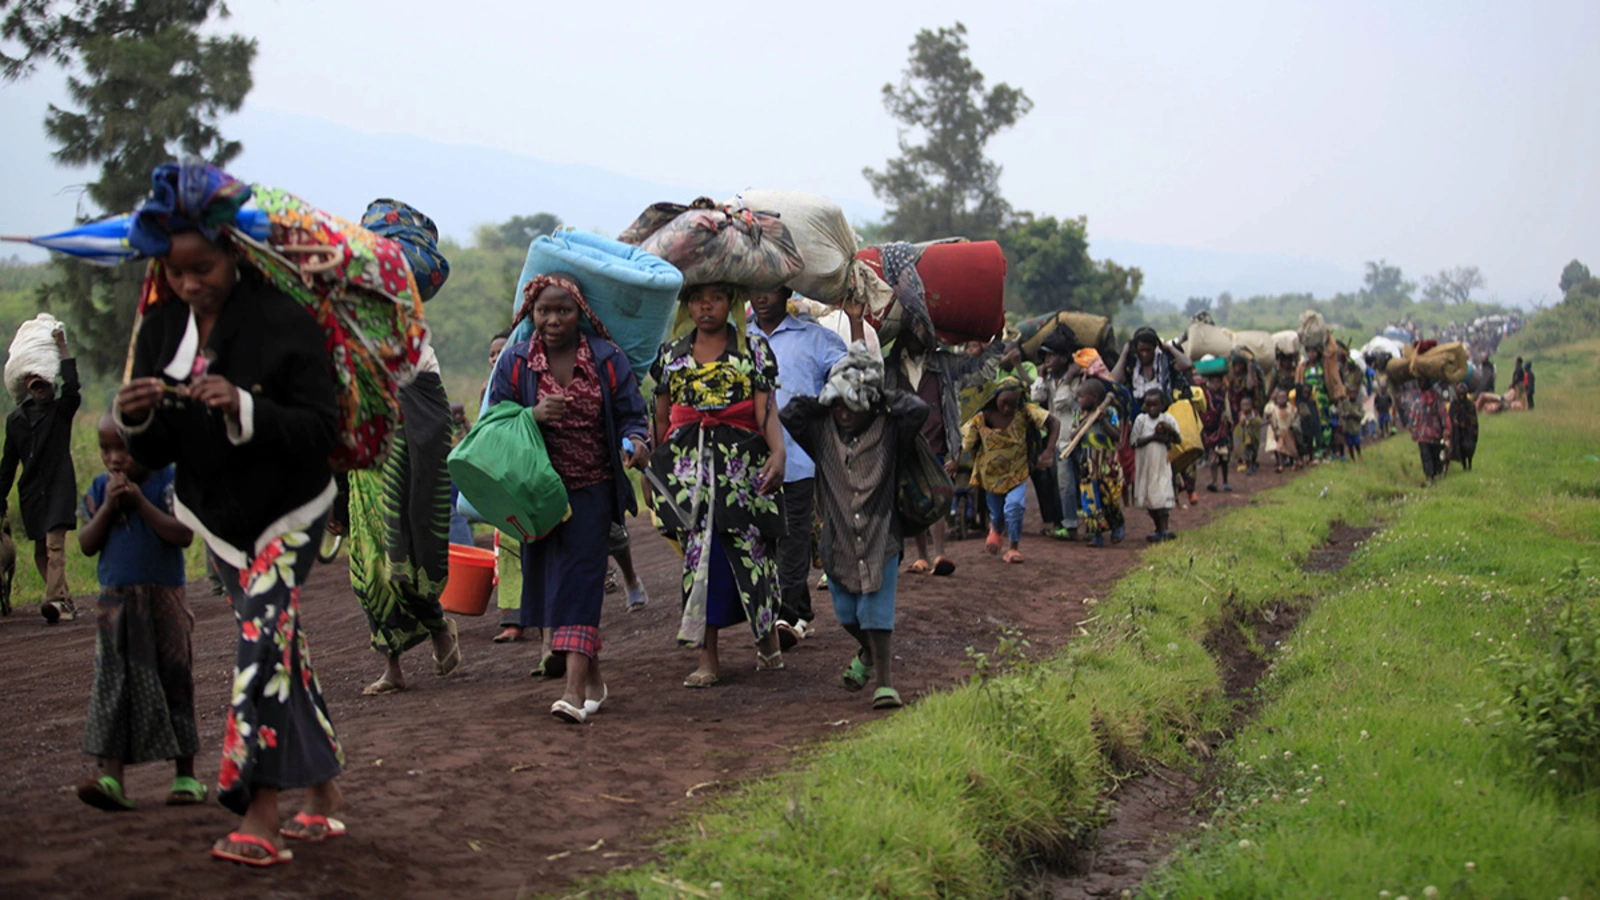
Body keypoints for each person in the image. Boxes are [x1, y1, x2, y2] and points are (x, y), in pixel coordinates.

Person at [118, 162, 344, 866]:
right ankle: (323, 793)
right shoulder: (159, 331)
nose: (190, 283)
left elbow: (321, 428)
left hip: (293, 511)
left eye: (203, 268)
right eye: (177, 271)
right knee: (279, 645)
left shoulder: (287, 320)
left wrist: (244, 407)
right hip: (216, 519)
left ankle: (259, 817)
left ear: (234, 253)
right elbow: (156, 451)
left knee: (260, 646)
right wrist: (137, 424)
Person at [489, 273, 651, 722]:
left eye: (564, 310)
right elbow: (495, 423)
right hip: (536, 495)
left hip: (592, 492)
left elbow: (632, 414)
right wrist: (532, 414)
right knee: (552, 586)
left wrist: (636, 443)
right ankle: (595, 679)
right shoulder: (516, 363)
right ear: (530, 314)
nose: (553, 319)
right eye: (544, 310)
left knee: (581, 583)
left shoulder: (606, 359)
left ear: (581, 313)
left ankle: (574, 692)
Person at [347, 199, 461, 697]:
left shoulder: (416, 344)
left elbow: (431, 416)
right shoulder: (347, 332)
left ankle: (437, 624)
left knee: (405, 559)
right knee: (369, 565)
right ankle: (391, 666)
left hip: (406, 459)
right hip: (365, 464)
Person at [649, 282, 786, 687]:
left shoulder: (754, 351)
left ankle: (766, 636)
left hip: (742, 466)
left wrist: (778, 454)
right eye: (696, 298)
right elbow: (661, 418)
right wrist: (654, 471)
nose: (705, 306)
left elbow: (766, 412)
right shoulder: (671, 355)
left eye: (716, 298)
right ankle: (707, 657)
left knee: (752, 552)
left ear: (733, 302)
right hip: (688, 469)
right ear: (686, 305)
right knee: (699, 558)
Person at [781, 344, 928, 710]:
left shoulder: (890, 428)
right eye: (838, 405)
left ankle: (884, 683)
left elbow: (918, 409)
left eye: (852, 405)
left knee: (876, 615)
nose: (844, 413)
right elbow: (791, 412)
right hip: (838, 539)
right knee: (848, 614)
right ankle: (866, 652)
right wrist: (828, 397)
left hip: (882, 536)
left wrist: (876, 395)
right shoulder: (819, 429)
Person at [74, 413, 201, 812]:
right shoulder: (99, 489)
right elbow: (86, 544)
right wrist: (110, 508)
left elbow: (182, 534)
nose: (114, 459)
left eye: (123, 449)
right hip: (116, 602)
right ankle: (112, 777)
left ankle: (185, 777)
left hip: (164, 598)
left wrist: (140, 503)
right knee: (115, 685)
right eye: (105, 449)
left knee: (174, 680)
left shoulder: (169, 483)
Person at [746, 284, 861, 648]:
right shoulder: (737, 338)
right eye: (753, 291)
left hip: (799, 457)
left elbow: (853, 377)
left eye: (767, 290)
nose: (760, 296)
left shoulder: (815, 337)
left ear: (785, 291)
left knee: (793, 536)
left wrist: (856, 324)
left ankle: (786, 614)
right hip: (747, 460)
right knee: (762, 541)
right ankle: (800, 611)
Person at [882, 324, 1007, 576]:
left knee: (936, 495)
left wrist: (996, 341)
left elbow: (979, 370)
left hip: (935, 440)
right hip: (902, 440)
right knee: (910, 497)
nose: (916, 336)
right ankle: (922, 557)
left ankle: (939, 553)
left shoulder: (944, 363)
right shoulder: (889, 367)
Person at [0, 324, 79, 622]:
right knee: (40, 552)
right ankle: (66, 602)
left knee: (54, 545)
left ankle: (53, 601)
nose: (42, 391)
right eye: (35, 386)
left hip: (59, 487)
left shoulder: (61, 412)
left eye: (45, 384)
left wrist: (62, 349)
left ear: (52, 385)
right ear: (27, 388)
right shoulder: (16, 421)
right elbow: (8, 464)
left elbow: (73, 387)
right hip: (32, 492)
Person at [950, 375, 1059, 565]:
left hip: (1017, 471)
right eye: (1004, 403)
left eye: (1013, 404)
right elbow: (966, 443)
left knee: (1015, 507)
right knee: (998, 513)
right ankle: (996, 529)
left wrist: (1048, 451)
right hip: (990, 476)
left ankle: (1013, 548)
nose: (1008, 409)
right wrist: (956, 462)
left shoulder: (1025, 412)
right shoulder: (981, 417)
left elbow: (1054, 423)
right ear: (995, 398)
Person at [1112, 327, 1195, 503]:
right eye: (1141, 350)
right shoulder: (1131, 363)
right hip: (1138, 417)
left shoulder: (1164, 359)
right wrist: (1125, 352)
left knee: (1165, 456)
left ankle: (1168, 495)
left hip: (1163, 414)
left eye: (1149, 350)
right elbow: (1114, 379)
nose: (1144, 354)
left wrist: (1169, 348)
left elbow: (1187, 364)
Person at [1031, 331, 1085, 541]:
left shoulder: (1075, 379)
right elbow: (1036, 396)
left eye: (1051, 356)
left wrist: (1069, 377)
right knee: (1063, 483)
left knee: (1080, 481)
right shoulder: (1051, 379)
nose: (1047, 361)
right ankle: (1069, 524)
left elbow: (1063, 401)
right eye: (1045, 357)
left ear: (1064, 358)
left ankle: (1083, 523)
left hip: (1075, 436)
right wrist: (1042, 375)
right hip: (1060, 439)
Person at [1130, 389, 1180, 541]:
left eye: (1156, 405)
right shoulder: (1141, 420)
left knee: (1162, 497)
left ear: (1162, 405)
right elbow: (1134, 442)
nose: (1152, 409)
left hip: (1162, 465)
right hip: (1145, 466)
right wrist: (1153, 437)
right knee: (1150, 501)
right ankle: (1158, 529)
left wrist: (1168, 434)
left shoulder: (1168, 419)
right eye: (1149, 405)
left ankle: (1164, 530)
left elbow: (1177, 439)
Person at [1406, 377, 1449, 485]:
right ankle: (1430, 477)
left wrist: (1446, 428)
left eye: (1422, 381)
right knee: (1425, 455)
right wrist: (1411, 425)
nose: (1420, 383)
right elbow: (1413, 411)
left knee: (1435, 455)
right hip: (1422, 433)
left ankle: (1437, 475)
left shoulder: (1435, 397)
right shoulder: (1417, 397)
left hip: (1434, 433)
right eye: (1419, 381)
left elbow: (1442, 413)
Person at [1200, 373, 1233, 493]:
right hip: (1209, 429)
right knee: (1212, 458)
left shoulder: (1224, 395)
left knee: (1224, 457)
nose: (1216, 385)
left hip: (1221, 428)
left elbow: (1228, 410)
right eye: (1213, 382)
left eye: (1218, 382)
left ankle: (1225, 482)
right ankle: (1214, 482)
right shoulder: (1205, 394)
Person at [1264, 387, 1300, 474]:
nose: (1281, 400)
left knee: (1291, 448)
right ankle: (1281, 464)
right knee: (1279, 449)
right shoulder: (1274, 410)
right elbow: (1272, 420)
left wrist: (1294, 426)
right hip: (1280, 432)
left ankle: (1294, 462)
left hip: (1289, 431)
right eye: (1279, 398)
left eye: (1284, 397)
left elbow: (1296, 416)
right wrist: (1275, 430)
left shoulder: (1291, 408)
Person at [1449, 382, 1479, 471]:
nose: (1461, 396)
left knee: (1469, 447)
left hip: (1468, 431)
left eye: (1463, 394)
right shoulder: (1454, 404)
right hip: (1458, 431)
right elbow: (1451, 415)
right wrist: (1455, 422)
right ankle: (1464, 465)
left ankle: (1469, 464)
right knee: (1459, 446)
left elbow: (1474, 419)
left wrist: (1468, 424)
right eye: (1460, 394)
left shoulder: (1470, 404)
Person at [1236, 395, 1262, 475]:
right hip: (1246, 438)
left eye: (1247, 405)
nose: (1245, 407)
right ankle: (1250, 465)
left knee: (1254, 451)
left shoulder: (1254, 414)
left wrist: (1253, 421)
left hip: (1254, 437)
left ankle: (1254, 463)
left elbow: (1259, 422)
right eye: (1243, 405)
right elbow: (1241, 424)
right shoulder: (1241, 415)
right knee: (1248, 452)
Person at [1341, 395, 1364, 461]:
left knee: (1357, 443)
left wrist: (1355, 414)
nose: (1353, 395)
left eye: (1354, 393)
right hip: (1348, 428)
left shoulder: (1358, 404)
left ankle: (1359, 455)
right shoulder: (1345, 403)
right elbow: (1341, 413)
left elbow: (1362, 414)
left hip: (1356, 428)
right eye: (1351, 393)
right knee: (1350, 444)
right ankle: (1352, 458)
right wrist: (1347, 414)